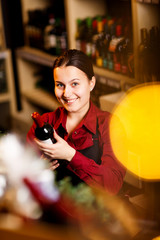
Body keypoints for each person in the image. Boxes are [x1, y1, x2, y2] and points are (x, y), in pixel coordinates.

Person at [27, 49, 126, 195]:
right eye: (60, 85)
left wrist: (71, 155)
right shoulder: (44, 122)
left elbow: (112, 185)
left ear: (91, 83)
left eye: (74, 84)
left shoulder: (110, 125)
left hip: (99, 213)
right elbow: (21, 174)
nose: (66, 93)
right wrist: (37, 170)